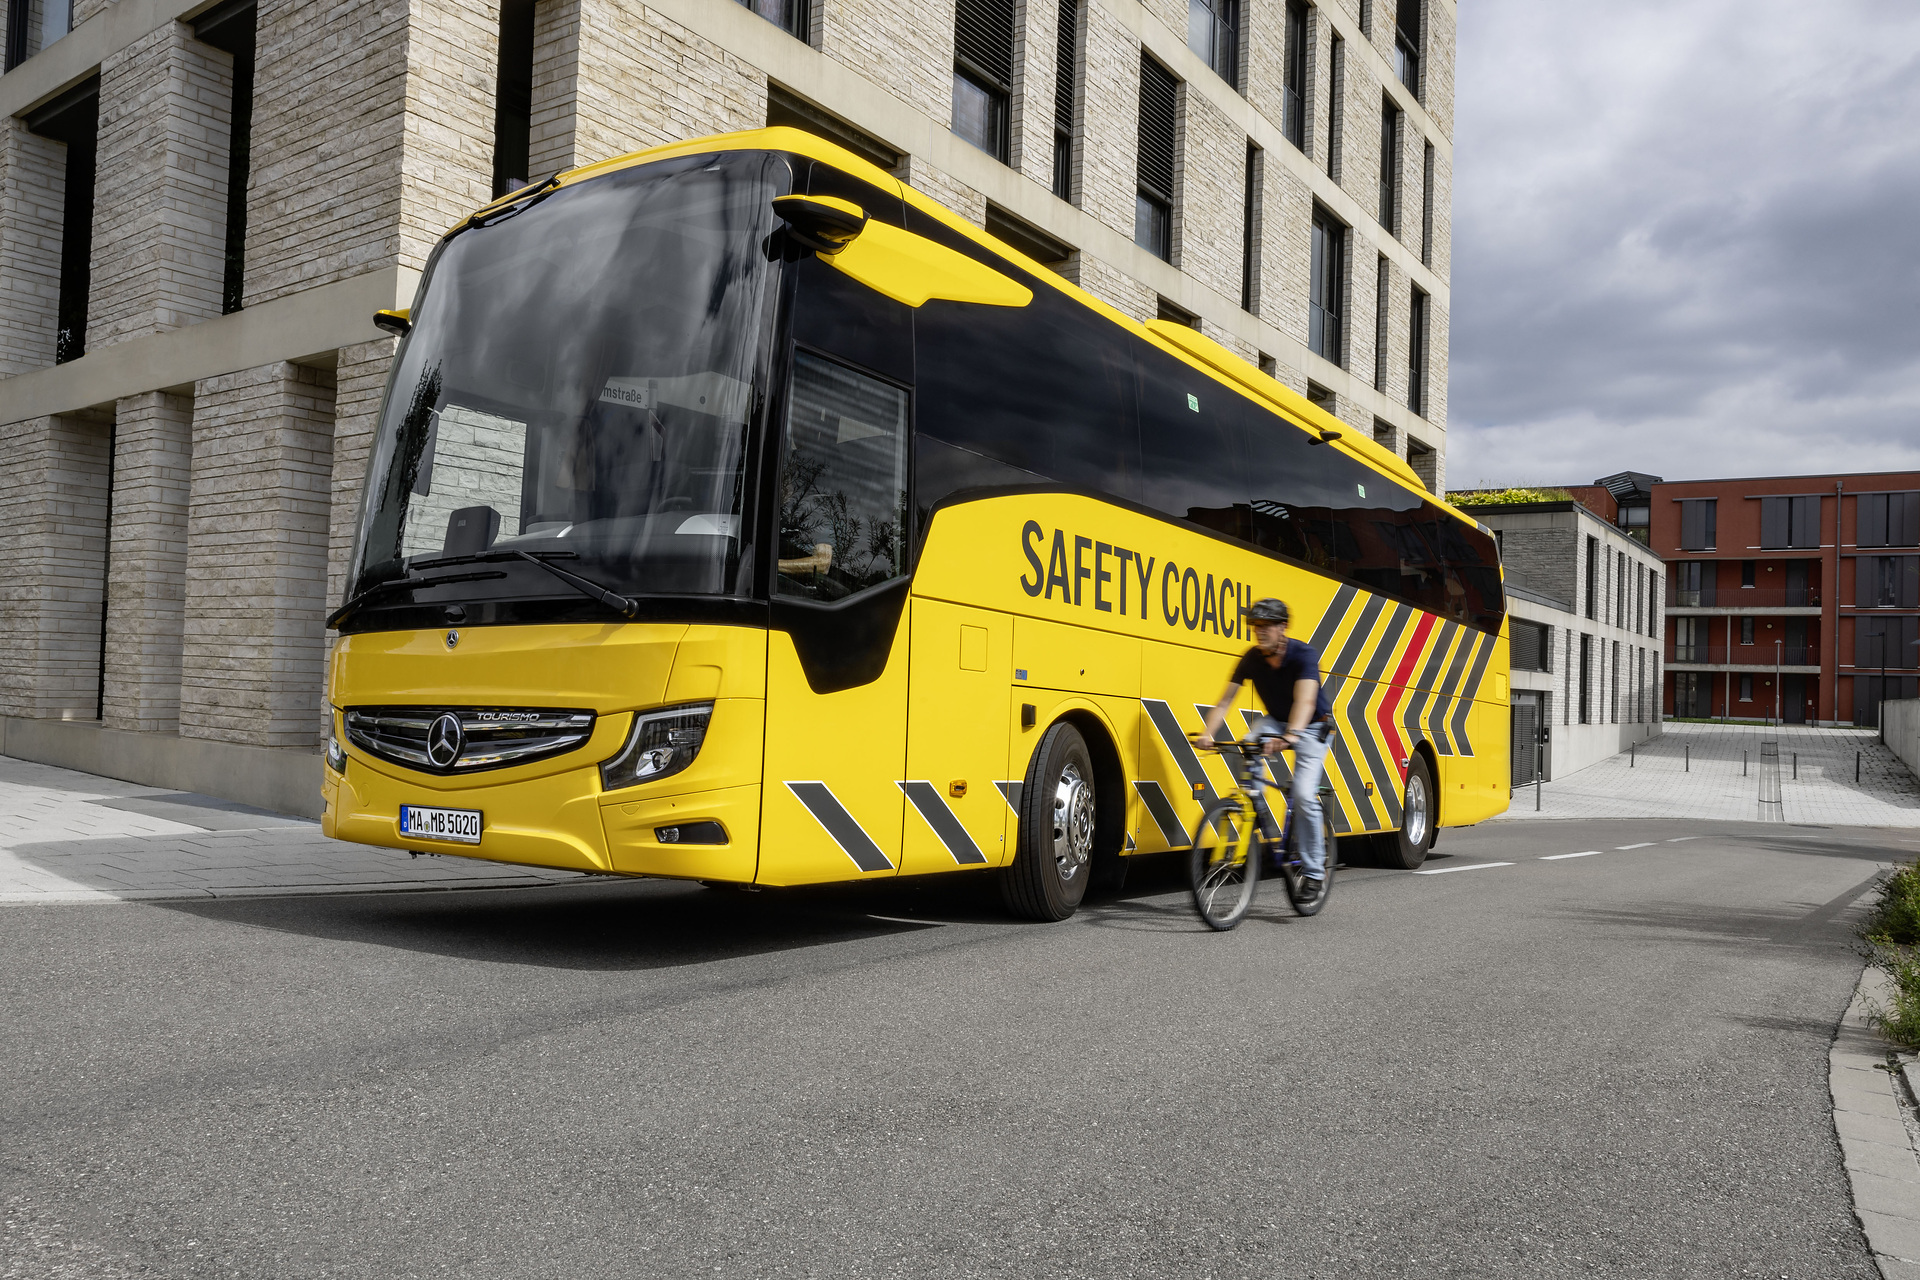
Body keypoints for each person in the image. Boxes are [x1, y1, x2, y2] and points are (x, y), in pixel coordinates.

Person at [1191, 597, 1334, 902]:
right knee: (1249, 742)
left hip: (1312, 726)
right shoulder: (1252, 658)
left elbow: (1305, 702)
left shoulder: (1303, 655)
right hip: (1276, 722)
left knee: (1304, 794)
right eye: (1256, 626)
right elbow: (1226, 701)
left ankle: (1313, 873)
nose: (1259, 631)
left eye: (1266, 625)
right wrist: (1207, 733)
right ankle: (1251, 803)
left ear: (1283, 627)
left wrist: (1290, 737)